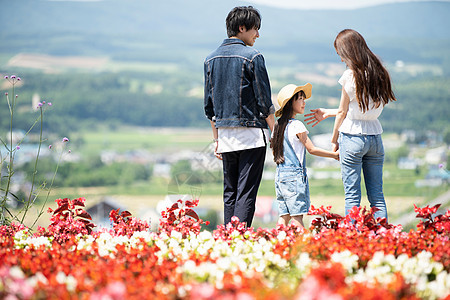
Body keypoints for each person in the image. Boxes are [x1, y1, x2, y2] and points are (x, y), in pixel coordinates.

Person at [304, 29, 396, 221]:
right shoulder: (380, 73)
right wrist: (328, 113)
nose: (341, 60)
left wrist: (334, 140)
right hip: (376, 139)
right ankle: (382, 236)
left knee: (353, 196)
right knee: (377, 197)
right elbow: (359, 109)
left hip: (352, 139)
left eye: (341, 55)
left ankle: (351, 238)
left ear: (349, 51)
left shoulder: (350, 75)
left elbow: (343, 112)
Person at [204, 6, 275, 227]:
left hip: (225, 135)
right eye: (255, 29)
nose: (258, 34)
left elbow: (209, 107)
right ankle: (238, 238)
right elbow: (264, 102)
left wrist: (216, 139)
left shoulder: (210, 59)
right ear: (242, 28)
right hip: (252, 134)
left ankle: (228, 237)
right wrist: (277, 133)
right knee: (246, 192)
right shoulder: (254, 57)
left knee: (230, 191)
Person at [272, 83, 339, 228]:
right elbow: (312, 149)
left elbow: (275, 151)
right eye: (300, 99)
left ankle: (275, 245)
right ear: (291, 103)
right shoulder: (297, 126)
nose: (304, 102)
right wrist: (334, 155)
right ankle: (303, 247)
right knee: (297, 220)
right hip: (294, 178)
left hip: (280, 176)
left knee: (283, 218)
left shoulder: (277, 126)